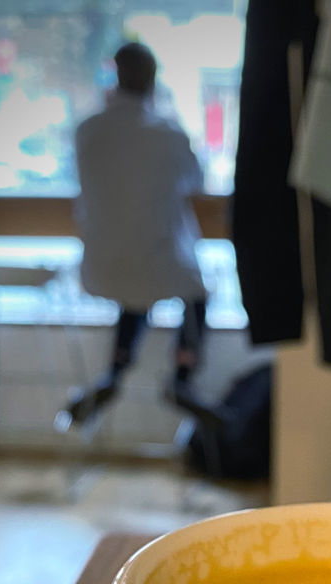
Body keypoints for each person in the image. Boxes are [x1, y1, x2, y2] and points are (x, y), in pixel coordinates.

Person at [56, 41, 215, 432]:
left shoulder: (87, 130)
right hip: (156, 261)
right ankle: (182, 375)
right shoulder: (169, 133)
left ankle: (115, 373)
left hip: (101, 265)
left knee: (136, 292)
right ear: (154, 80)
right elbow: (197, 180)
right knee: (194, 291)